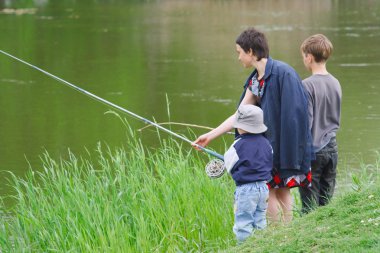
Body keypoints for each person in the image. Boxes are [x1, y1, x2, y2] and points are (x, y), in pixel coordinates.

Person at [194, 27, 312, 223]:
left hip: (283, 147)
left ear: (250, 51)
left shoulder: (284, 74)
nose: (238, 57)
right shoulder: (256, 80)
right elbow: (240, 115)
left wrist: (288, 151)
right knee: (275, 190)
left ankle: (280, 235)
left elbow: (296, 117)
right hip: (269, 147)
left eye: (239, 52)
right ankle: (283, 235)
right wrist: (210, 135)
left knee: (277, 191)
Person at [298, 34, 342, 213]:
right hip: (332, 148)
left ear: (309, 57)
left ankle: (309, 239)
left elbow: (305, 123)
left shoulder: (306, 85)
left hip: (313, 152)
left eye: (303, 57)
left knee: (309, 207)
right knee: (326, 204)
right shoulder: (336, 82)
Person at [224, 104, 272, 243]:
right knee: (260, 219)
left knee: (243, 222)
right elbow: (269, 158)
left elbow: (229, 164)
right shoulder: (266, 142)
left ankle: (244, 247)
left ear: (240, 126)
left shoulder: (238, 144)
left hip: (245, 190)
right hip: (264, 188)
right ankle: (261, 245)